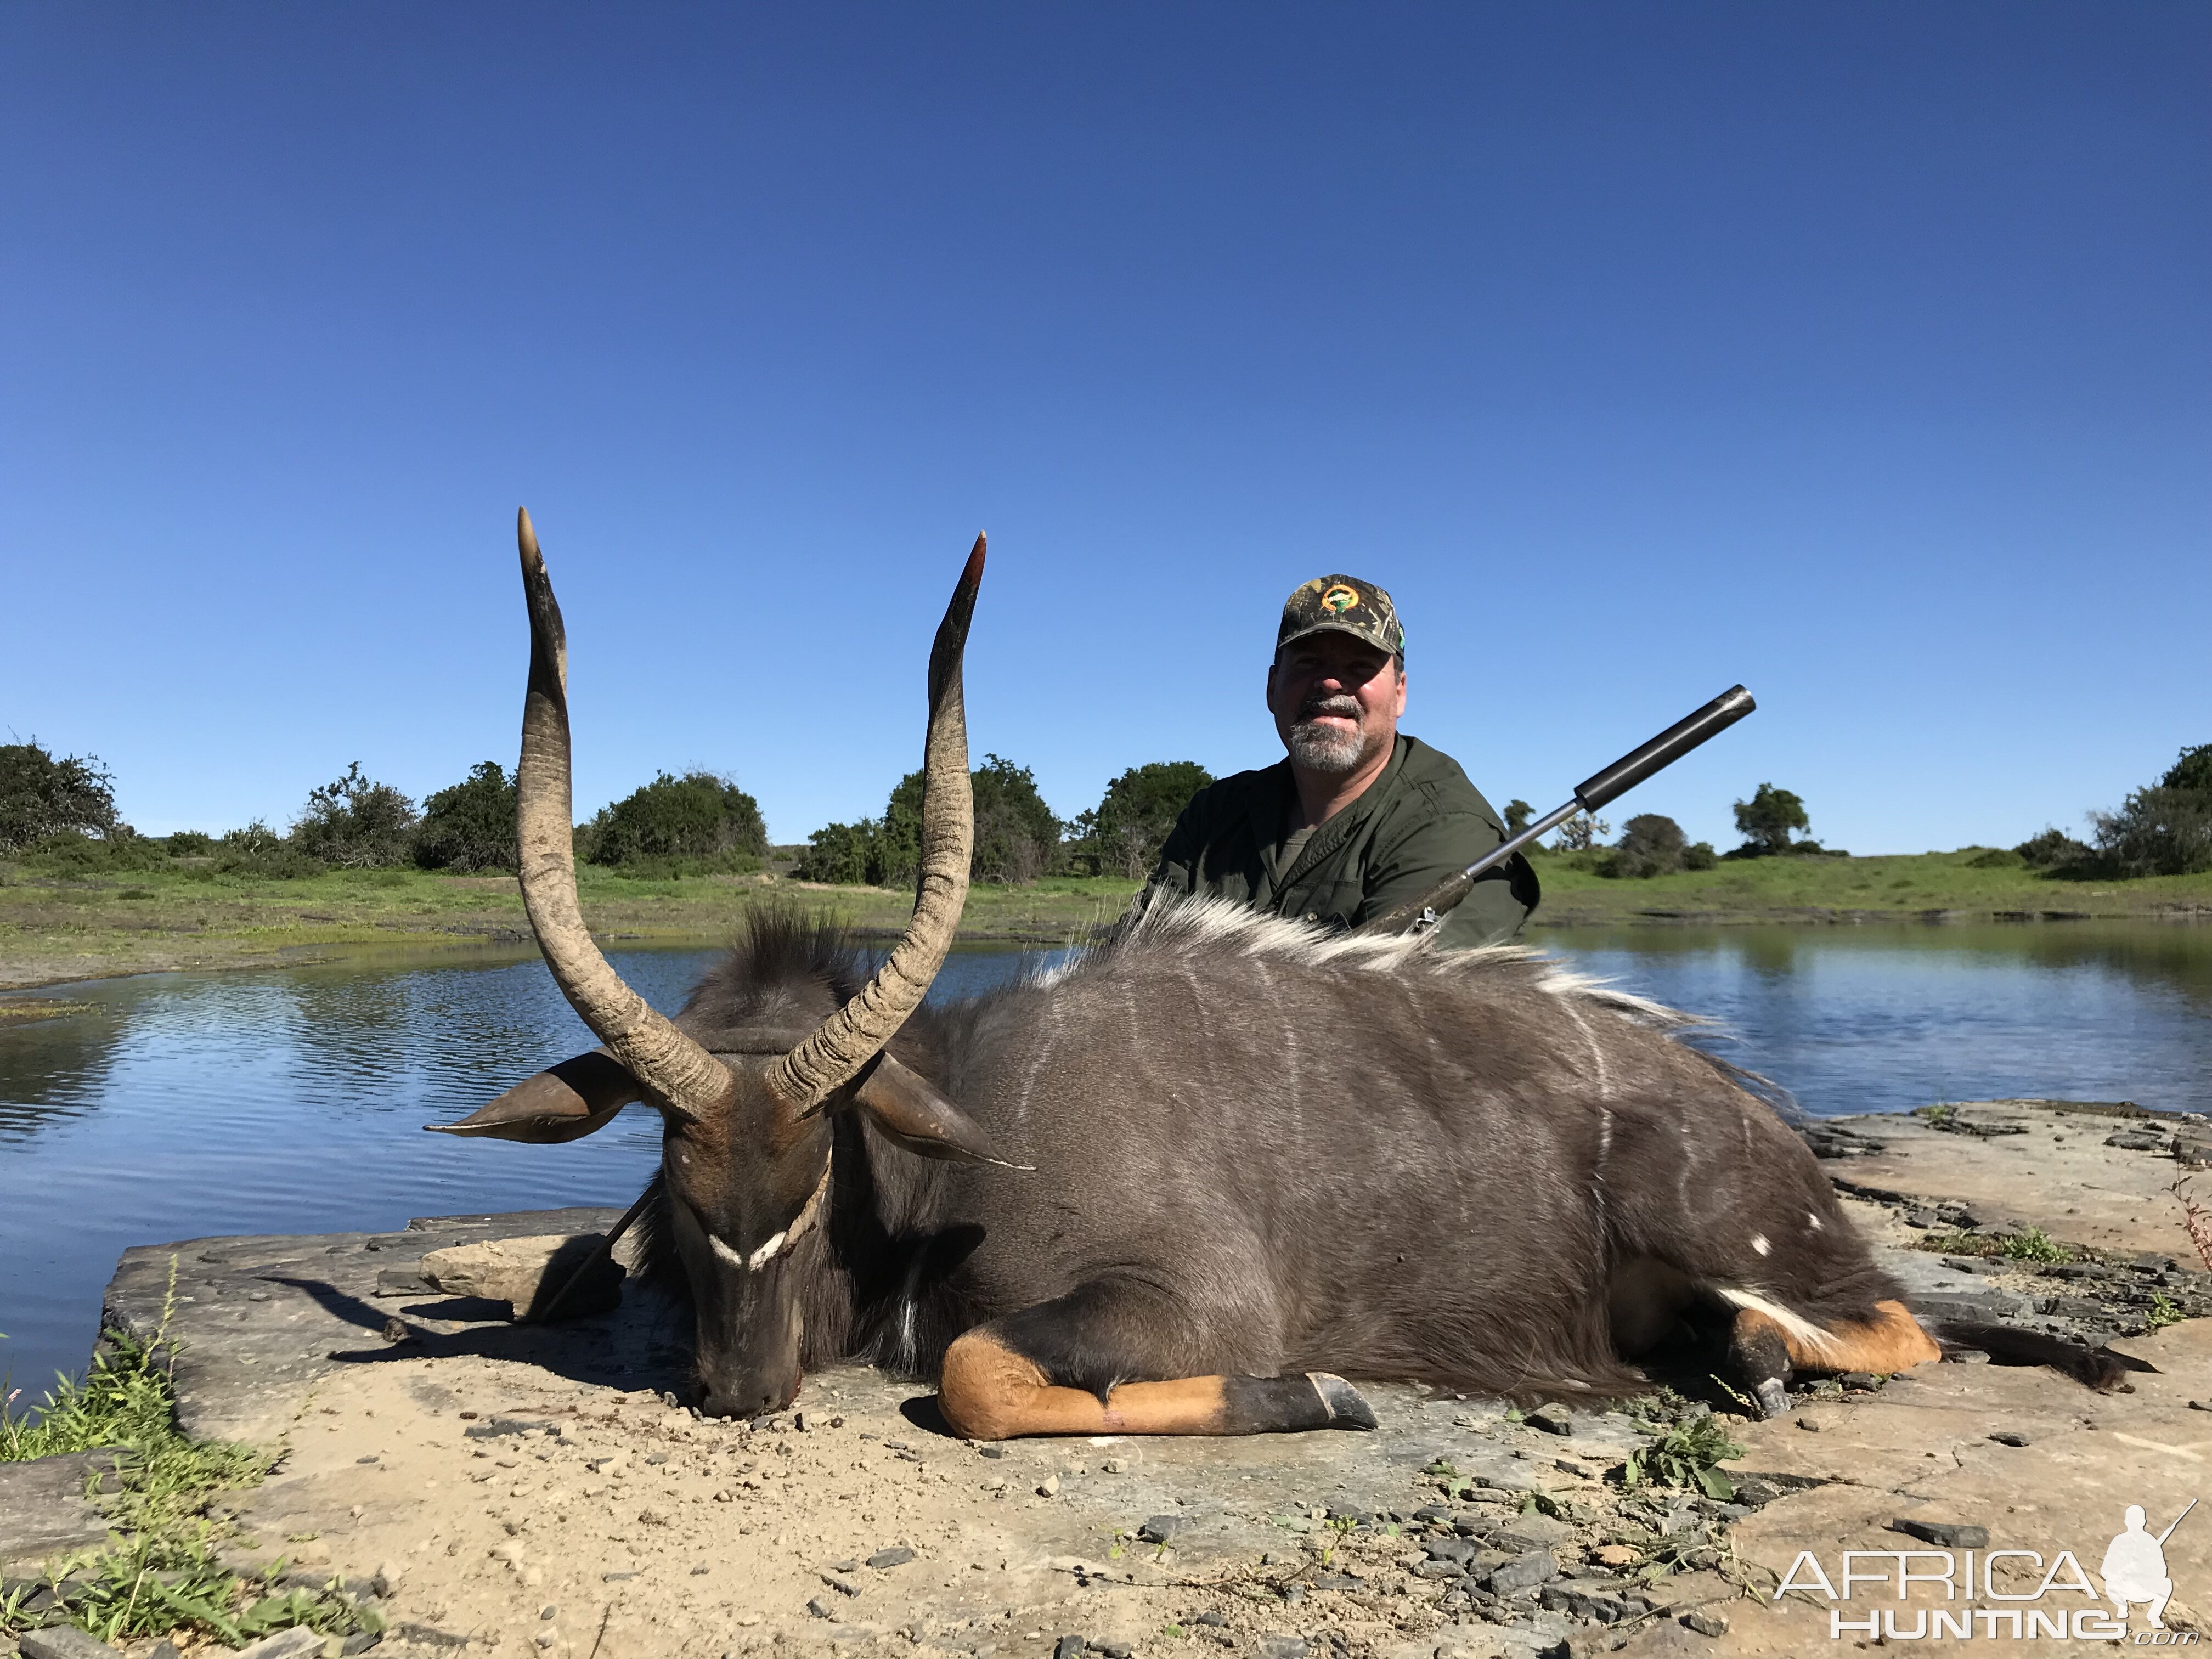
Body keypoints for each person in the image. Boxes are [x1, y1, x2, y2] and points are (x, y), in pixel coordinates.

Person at [1131, 573, 1538, 947]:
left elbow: (1404, 1013)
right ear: (1273, 687)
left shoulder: (1446, 828)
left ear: (1400, 693)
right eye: (1309, 662)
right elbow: (1134, 966)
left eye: (1360, 667)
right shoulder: (1214, 815)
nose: (1330, 682)